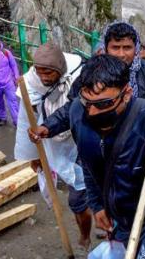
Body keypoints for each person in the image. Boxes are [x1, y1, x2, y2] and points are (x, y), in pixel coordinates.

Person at [29, 54, 145, 258]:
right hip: (122, 217)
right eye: (87, 102)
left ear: (127, 93)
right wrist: (98, 206)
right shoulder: (78, 113)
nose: (93, 112)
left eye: (104, 103)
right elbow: (90, 166)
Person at [14, 42, 93, 250]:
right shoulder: (31, 83)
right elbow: (26, 121)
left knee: (95, 189)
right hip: (50, 135)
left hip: (83, 139)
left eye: (48, 72)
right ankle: (85, 234)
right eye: (40, 72)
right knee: (77, 200)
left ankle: (98, 225)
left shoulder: (80, 77)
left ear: (59, 69)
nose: (44, 77)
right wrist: (33, 155)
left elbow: (75, 111)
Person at [70, 22, 145, 108]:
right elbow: (73, 106)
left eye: (127, 48)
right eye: (115, 48)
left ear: (136, 49)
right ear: (106, 48)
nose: (121, 54)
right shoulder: (92, 71)